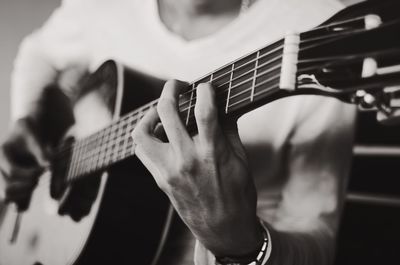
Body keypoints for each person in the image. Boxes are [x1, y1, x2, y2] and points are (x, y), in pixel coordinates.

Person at [0, 0, 356, 264]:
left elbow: (319, 244)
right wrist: (26, 117)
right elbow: (38, 52)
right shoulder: (99, 6)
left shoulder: (315, 27)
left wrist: (240, 244)